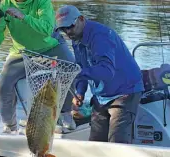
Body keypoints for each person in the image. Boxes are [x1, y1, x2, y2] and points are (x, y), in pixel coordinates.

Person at [55, 5, 144, 144]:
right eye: (63, 29)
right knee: (96, 144)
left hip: (125, 92)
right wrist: (80, 92)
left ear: (81, 19)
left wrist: (77, 73)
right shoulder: (76, 37)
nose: (67, 32)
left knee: (117, 143)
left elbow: (107, 71)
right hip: (102, 95)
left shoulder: (100, 36)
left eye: (70, 26)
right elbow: (81, 66)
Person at [0, 0, 77, 134]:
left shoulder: (42, 2)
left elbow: (47, 29)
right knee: (3, 87)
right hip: (21, 52)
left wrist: (23, 17)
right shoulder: (4, 4)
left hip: (50, 46)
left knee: (70, 66)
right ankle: (10, 126)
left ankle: (66, 113)